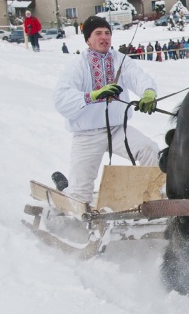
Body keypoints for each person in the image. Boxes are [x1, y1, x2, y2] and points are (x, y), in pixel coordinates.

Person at [52, 16, 159, 203]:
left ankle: (151, 198)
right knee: (79, 197)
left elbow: (138, 77)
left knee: (149, 149)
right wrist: (92, 96)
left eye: (107, 33)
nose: (104, 37)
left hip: (117, 130)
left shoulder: (120, 60)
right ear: (88, 39)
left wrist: (148, 92)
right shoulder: (77, 65)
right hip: (87, 135)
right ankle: (63, 192)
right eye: (98, 33)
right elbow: (61, 99)